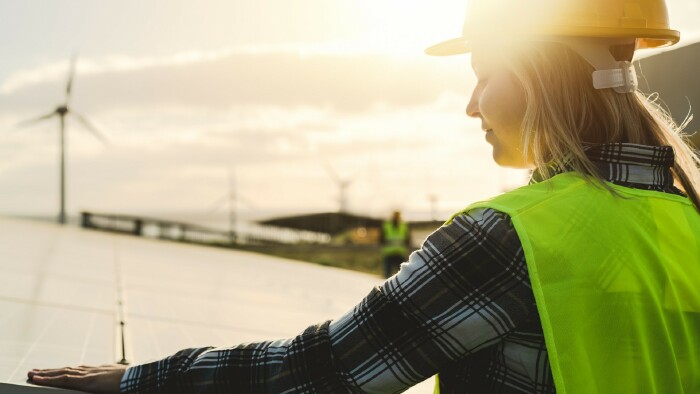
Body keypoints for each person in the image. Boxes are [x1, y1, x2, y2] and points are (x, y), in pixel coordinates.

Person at [28, 0, 700, 392]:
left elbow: (317, 372)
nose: (471, 106)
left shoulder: (509, 238)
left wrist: (136, 379)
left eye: (486, 75)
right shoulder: (686, 220)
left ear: (541, 73)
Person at [380, 210, 411, 278]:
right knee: (393, 275)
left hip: (398, 253)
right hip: (390, 253)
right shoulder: (387, 225)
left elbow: (408, 240)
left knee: (401, 275)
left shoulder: (403, 226)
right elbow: (381, 239)